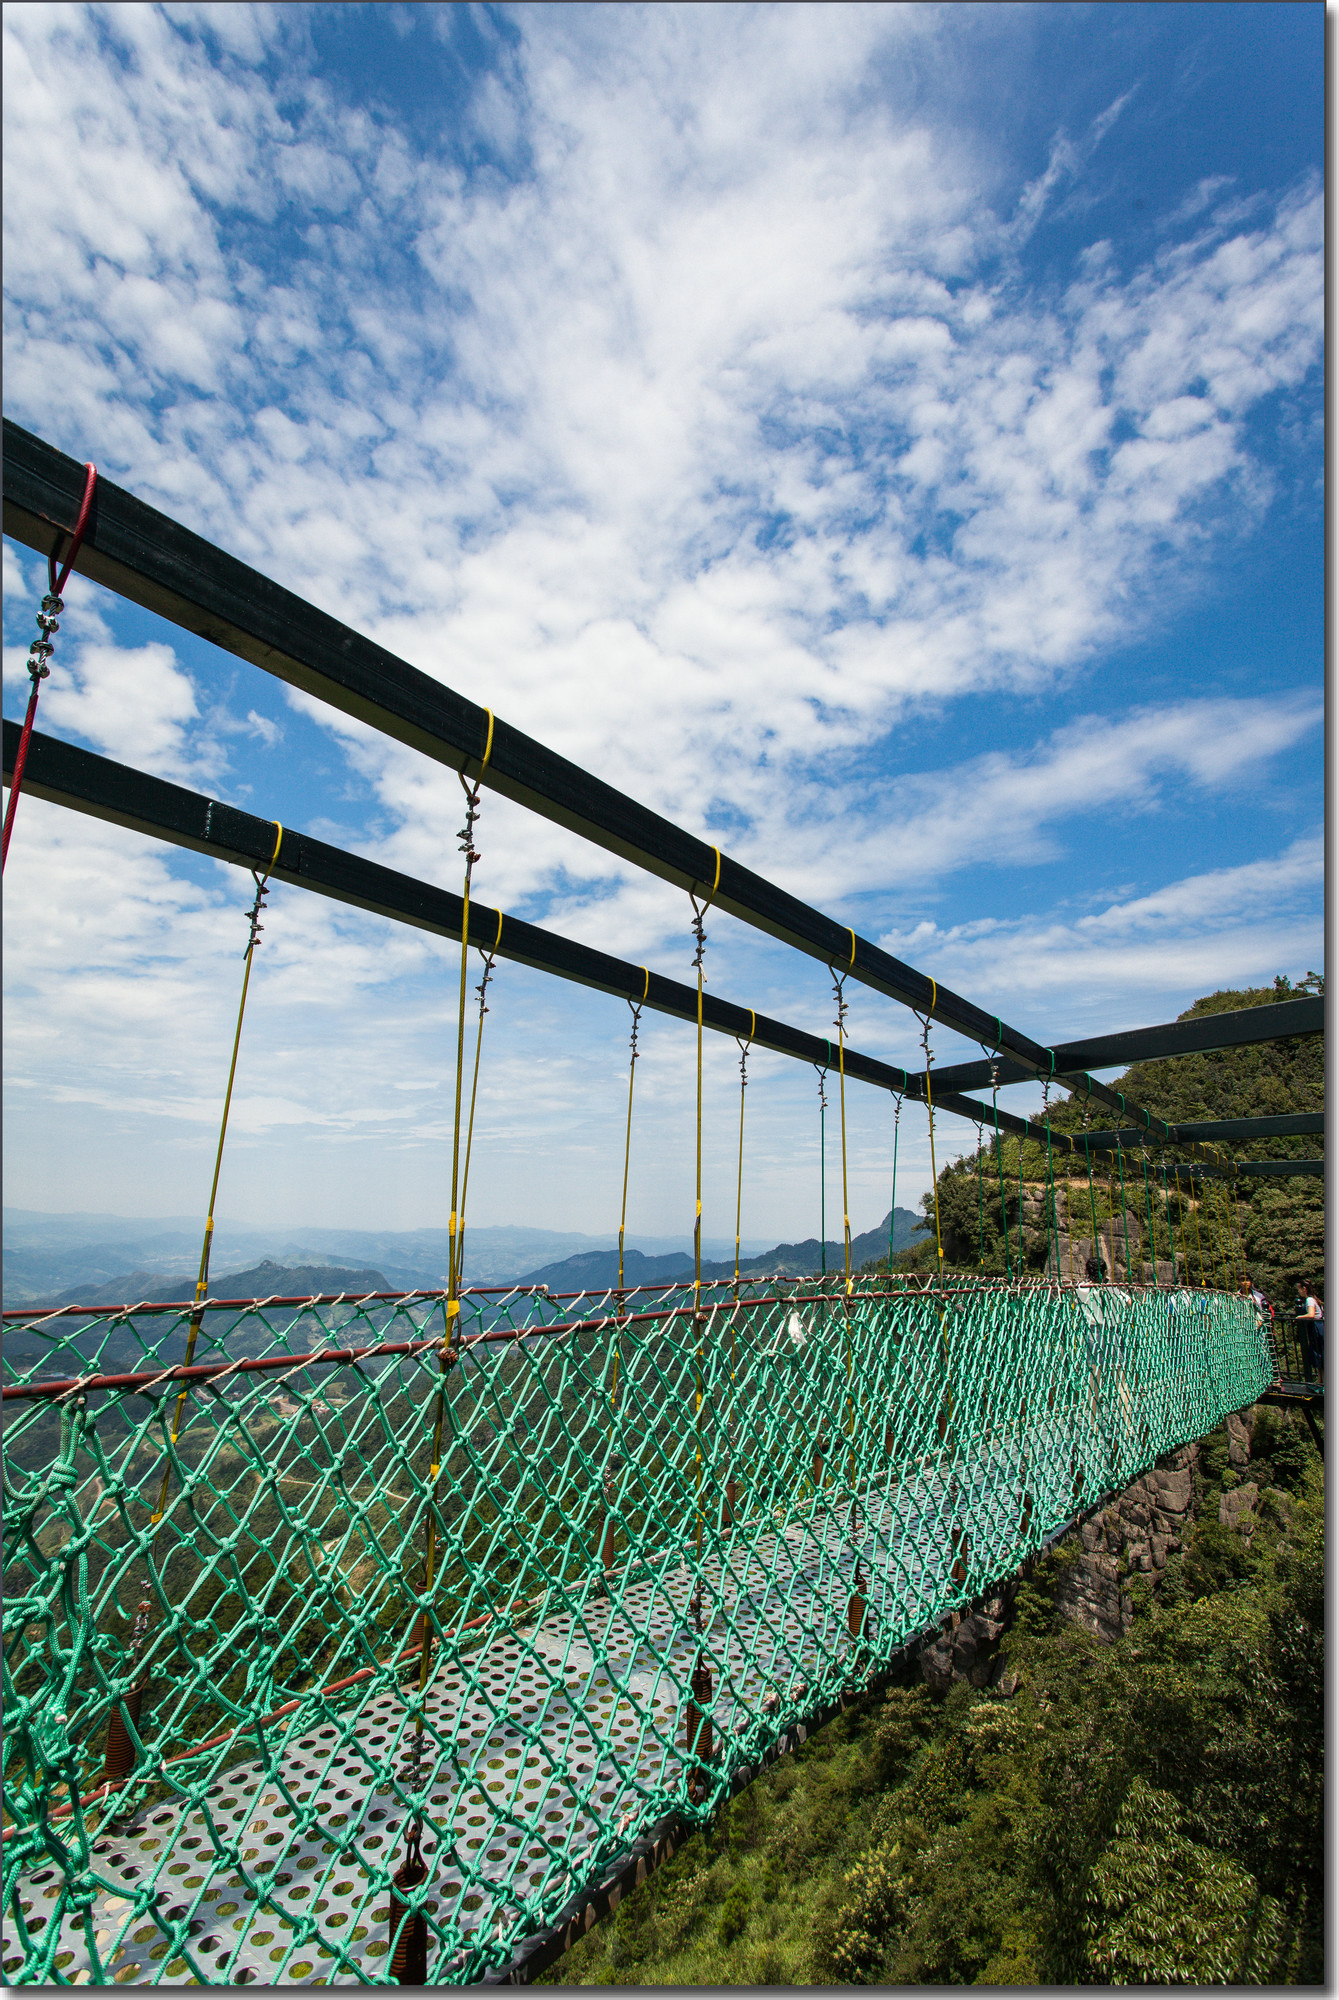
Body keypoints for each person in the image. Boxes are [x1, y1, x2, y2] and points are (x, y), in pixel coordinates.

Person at [1292, 1276, 1324, 1384]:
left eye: (1299, 1289)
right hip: (1317, 1327)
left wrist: (1298, 1317)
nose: (1299, 1292)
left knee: (1319, 1353)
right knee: (1318, 1353)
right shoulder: (1313, 1299)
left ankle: (1322, 1380)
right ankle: (1320, 1379)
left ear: (1304, 1289)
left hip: (1316, 1328)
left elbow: (1311, 1314)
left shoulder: (1310, 1300)